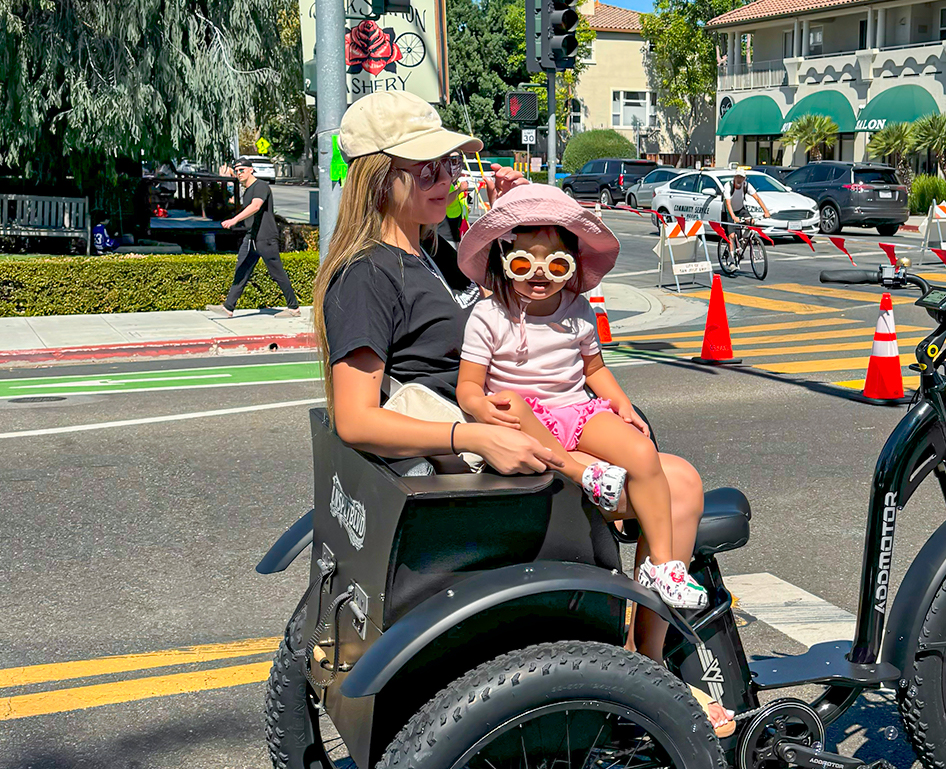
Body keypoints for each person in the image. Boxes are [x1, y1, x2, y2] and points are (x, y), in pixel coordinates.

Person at [309, 92, 728, 733]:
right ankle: (646, 678)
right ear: (377, 177)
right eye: (427, 169)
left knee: (668, 476)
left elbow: (515, 281)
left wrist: (509, 207)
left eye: (449, 164)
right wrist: (472, 431)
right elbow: (356, 419)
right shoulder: (367, 275)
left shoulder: (424, 251)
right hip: (490, 453)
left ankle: (643, 666)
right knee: (678, 490)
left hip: (512, 427)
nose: (445, 178)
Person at [455, 185, 709, 611]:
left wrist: (623, 405)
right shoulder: (489, 314)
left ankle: (663, 566)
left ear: (571, 267)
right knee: (510, 402)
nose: (539, 274)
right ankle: (578, 471)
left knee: (642, 452)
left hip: (575, 411)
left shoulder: (576, 310)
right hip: (524, 421)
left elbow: (595, 370)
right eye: (523, 262)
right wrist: (480, 407)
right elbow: (468, 386)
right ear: (504, 263)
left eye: (554, 264)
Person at [209, 159, 300, 318]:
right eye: (236, 171)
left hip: (265, 237)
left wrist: (234, 220)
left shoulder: (261, 186)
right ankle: (228, 308)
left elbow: (256, 206)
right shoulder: (248, 189)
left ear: (251, 170)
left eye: (242, 170)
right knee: (241, 270)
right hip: (251, 236)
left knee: (277, 272)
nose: (239, 173)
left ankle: (293, 308)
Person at [721, 170, 768, 264]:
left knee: (752, 222)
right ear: (734, 177)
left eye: (741, 177)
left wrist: (766, 211)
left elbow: (757, 198)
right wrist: (733, 217)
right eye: (738, 177)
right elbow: (728, 204)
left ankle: (742, 243)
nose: (739, 179)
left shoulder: (746, 185)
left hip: (741, 209)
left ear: (744, 178)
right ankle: (731, 259)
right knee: (732, 235)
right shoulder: (728, 186)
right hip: (728, 212)